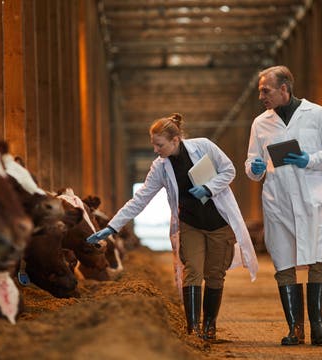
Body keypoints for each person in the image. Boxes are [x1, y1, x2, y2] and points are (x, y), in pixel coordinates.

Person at [87, 113, 258, 341]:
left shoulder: (204, 146)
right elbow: (140, 198)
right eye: (153, 145)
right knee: (193, 271)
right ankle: (193, 329)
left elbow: (229, 170)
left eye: (160, 145)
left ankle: (209, 326)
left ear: (175, 140)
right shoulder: (160, 167)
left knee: (215, 275)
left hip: (219, 223)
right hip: (190, 224)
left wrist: (208, 188)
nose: (156, 150)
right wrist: (112, 227)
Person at [244, 65, 322, 346]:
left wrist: (310, 160)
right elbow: (252, 165)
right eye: (260, 91)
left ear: (284, 89)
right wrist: (254, 168)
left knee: (317, 259)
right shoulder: (260, 123)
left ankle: (318, 328)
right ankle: (295, 330)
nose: (261, 96)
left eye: (265, 90)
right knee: (284, 263)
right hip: (277, 202)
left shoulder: (317, 114)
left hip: (311, 199)